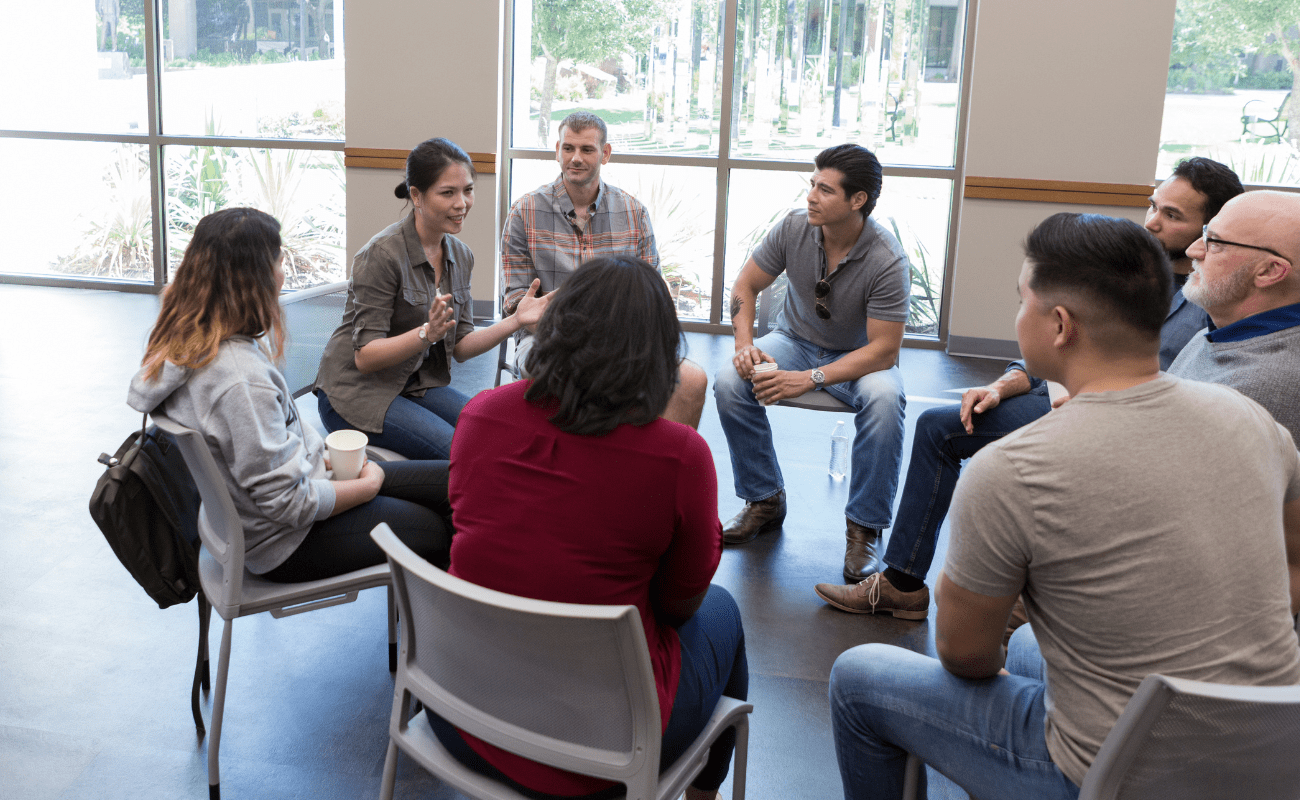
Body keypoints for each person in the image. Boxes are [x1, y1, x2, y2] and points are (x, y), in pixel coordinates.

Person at [827, 213, 1300, 800]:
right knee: (1027, 646)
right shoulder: (1254, 420)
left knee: (858, 678)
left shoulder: (1013, 469)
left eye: (1022, 300)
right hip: (1270, 762)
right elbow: (1293, 564)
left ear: (1059, 326)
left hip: (1112, 780)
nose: (1017, 315)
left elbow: (966, 655)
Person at [814, 156, 1244, 616]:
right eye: (1153, 206)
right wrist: (1005, 384)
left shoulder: (1213, 301)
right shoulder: (1127, 262)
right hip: (1058, 392)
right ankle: (903, 583)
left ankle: (1005, 603)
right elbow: (1058, 332)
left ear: (1210, 230)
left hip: (1110, 418)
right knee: (940, 426)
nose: (1153, 223)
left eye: (1172, 216)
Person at [440, 256, 747, 800]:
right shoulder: (679, 455)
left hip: (462, 713)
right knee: (725, 611)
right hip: (603, 752)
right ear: (657, 353)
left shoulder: (480, 415)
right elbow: (680, 604)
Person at [127, 208, 453, 582]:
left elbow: (263, 459)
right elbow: (289, 505)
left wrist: (328, 462)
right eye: (280, 260)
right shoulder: (239, 381)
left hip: (283, 507)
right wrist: (367, 486)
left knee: (453, 481)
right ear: (255, 279)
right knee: (436, 527)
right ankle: (441, 631)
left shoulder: (187, 347)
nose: (284, 272)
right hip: (288, 542)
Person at [714, 143, 911, 584]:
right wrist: (745, 344)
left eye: (825, 190)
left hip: (860, 357)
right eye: (812, 185)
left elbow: (884, 351)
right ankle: (764, 499)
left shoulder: (887, 259)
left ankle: (864, 527)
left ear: (857, 200)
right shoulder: (793, 228)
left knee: (885, 400)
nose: (811, 197)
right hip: (794, 340)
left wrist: (810, 379)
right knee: (729, 381)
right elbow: (747, 282)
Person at [314, 137, 550, 460]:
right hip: (356, 392)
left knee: (495, 430)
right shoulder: (382, 254)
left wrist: (516, 320)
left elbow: (463, 347)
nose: (462, 203)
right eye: (448, 193)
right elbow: (364, 357)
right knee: (463, 453)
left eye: (467, 190)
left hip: (413, 383)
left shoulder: (460, 255)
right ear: (417, 196)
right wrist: (427, 334)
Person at [501, 110, 708, 428]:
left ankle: (648, 466)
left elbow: (653, 290)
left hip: (621, 340)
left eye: (587, 149)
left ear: (605, 154)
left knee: (691, 380)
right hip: (547, 336)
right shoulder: (524, 212)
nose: (576, 158)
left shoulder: (633, 212)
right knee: (545, 371)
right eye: (568, 148)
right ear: (557, 151)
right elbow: (516, 300)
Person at [1169, 188, 1300, 440]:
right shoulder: (1223, 330)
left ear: (1269, 271)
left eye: (1215, 243)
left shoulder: (1261, 385)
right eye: (1206, 232)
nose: (1194, 251)